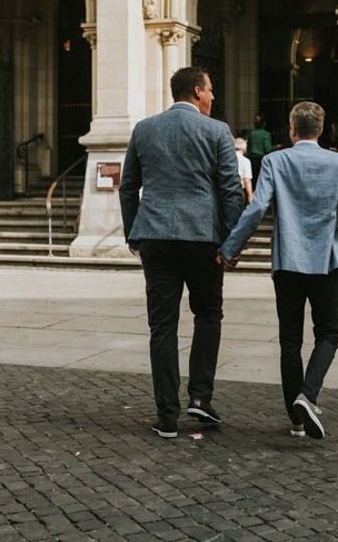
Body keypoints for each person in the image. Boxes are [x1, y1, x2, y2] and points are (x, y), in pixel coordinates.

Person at [218, 101, 338, 440]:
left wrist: (230, 247)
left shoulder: (275, 161)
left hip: (288, 263)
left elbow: (256, 210)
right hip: (328, 261)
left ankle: (296, 420)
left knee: (290, 341)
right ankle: (308, 395)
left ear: (293, 130)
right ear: (321, 131)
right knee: (329, 334)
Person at [119, 67, 244, 439]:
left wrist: (133, 234)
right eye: (210, 90)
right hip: (203, 238)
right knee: (208, 314)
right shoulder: (217, 131)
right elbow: (231, 191)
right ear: (196, 91)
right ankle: (201, 398)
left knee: (162, 325)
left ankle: (167, 415)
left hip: (155, 237)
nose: (213, 97)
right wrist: (231, 242)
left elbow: (128, 188)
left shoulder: (144, 129)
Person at [246, 114, 275, 183]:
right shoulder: (265, 134)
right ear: (264, 123)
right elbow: (268, 149)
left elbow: (248, 147)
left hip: (251, 160)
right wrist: (277, 147)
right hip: (261, 160)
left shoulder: (250, 133)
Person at [234, 137, 253, 203]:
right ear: (244, 147)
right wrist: (250, 195)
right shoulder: (245, 161)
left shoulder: (226, 159)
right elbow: (246, 180)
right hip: (240, 190)